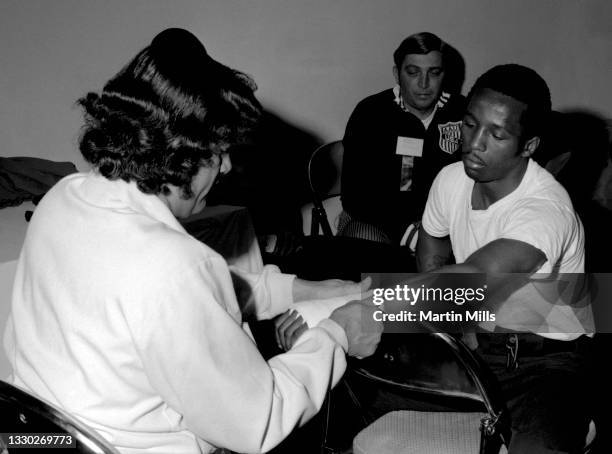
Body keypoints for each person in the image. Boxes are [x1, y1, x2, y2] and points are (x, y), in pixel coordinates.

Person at [2, 28, 382, 454]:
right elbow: (260, 421)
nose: (226, 167)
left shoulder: (64, 197)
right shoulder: (171, 265)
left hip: (33, 440)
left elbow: (189, 296)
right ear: (179, 154)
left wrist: (304, 289)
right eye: (218, 152)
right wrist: (337, 333)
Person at [416, 64, 594, 453]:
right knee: (365, 399)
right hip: (480, 345)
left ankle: (581, 416)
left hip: (547, 361)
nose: (474, 144)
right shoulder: (451, 180)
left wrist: (365, 305)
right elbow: (431, 241)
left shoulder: (545, 211)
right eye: (469, 124)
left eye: (496, 134)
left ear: (528, 146)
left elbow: (478, 274)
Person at [339, 32, 465, 245]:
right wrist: (406, 229)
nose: (424, 83)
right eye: (413, 72)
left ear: (445, 74)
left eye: (434, 73)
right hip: (375, 220)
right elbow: (356, 198)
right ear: (397, 74)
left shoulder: (462, 112)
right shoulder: (370, 113)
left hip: (443, 222)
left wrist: (432, 227)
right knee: (366, 241)